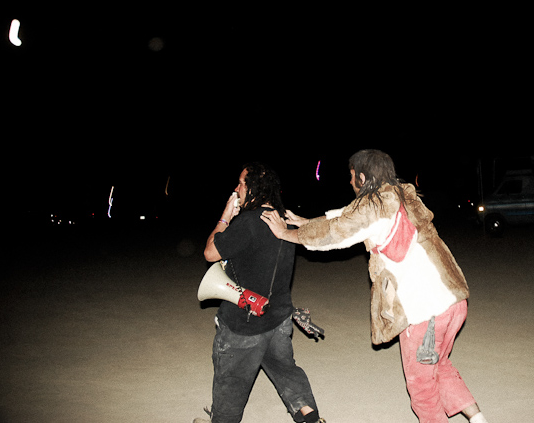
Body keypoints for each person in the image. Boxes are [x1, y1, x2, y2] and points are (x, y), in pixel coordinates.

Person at [261, 150, 488, 423]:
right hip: (454, 301)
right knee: (439, 366)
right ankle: (478, 419)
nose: (350, 181)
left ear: (363, 177)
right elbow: (347, 217)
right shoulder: (400, 195)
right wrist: (307, 223)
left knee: (421, 387)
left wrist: (286, 233)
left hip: (427, 311)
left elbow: (338, 233)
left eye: (351, 176)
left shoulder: (375, 207)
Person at [195, 162, 325, 423]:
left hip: (244, 324)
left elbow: (210, 252)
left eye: (241, 183)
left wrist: (225, 216)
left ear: (253, 187)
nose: (237, 188)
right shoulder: (281, 219)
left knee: (231, 381)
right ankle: (310, 418)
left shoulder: (247, 223)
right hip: (278, 320)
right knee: (285, 370)